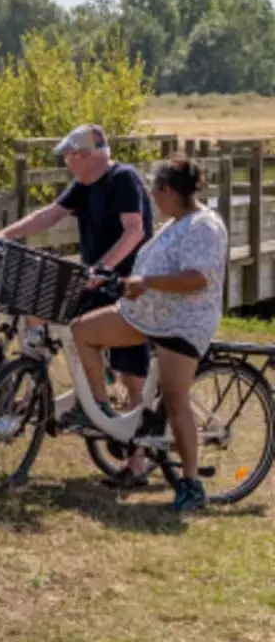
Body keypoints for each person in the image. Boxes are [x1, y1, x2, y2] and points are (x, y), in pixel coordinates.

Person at [0, 123, 155, 482]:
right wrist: (4, 235)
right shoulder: (84, 185)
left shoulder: (123, 179)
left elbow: (135, 230)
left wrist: (104, 267)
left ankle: (137, 459)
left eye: (69, 156)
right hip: (94, 280)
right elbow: (50, 214)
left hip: (129, 285)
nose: (66, 163)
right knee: (36, 306)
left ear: (84, 155)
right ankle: (35, 386)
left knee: (131, 374)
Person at [70, 157, 228, 512]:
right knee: (83, 332)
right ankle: (97, 410)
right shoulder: (175, 222)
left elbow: (198, 278)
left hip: (182, 324)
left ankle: (190, 484)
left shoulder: (203, 226)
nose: (152, 199)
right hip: (144, 316)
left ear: (169, 191)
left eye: (154, 192)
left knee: (175, 402)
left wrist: (147, 282)